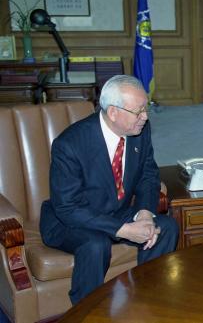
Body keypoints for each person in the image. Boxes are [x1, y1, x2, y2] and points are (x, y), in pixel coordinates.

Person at [40, 75, 179, 304]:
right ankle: (86, 311)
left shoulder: (139, 131)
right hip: (71, 220)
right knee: (96, 244)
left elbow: (148, 175)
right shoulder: (70, 144)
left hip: (115, 210)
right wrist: (123, 229)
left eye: (146, 109)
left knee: (165, 227)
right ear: (113, 112)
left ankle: (149, 299)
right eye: (138, 111)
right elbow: (68, 207)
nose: (144, 117)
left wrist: (144, 213)